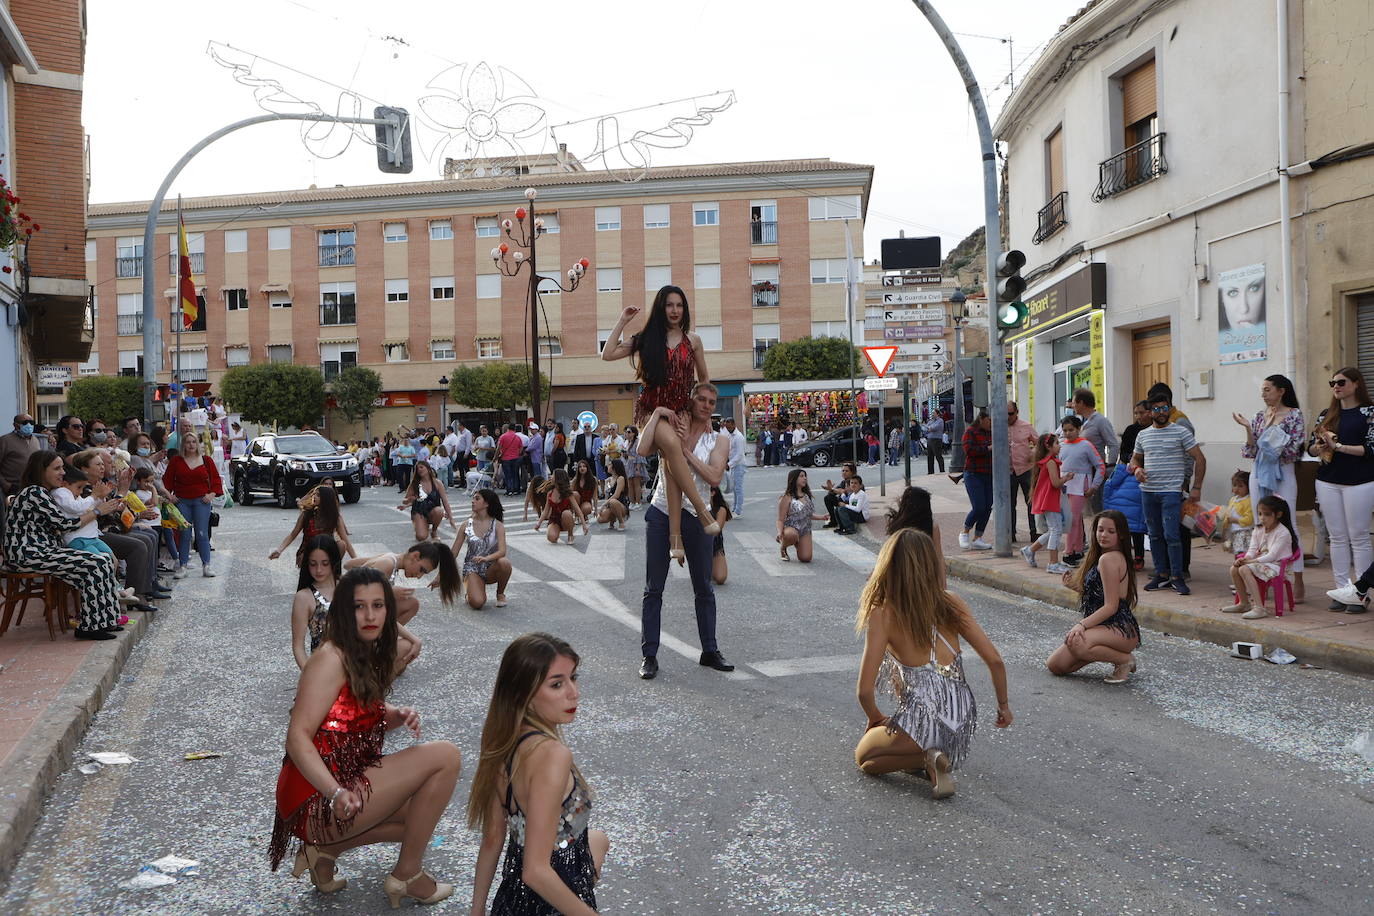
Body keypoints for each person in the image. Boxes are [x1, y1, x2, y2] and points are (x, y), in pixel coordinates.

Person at [269, 568, 460, 907]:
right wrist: (335, 792)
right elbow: (297, 737)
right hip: (316, 800)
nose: (370, 615)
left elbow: (352, 717)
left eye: (378, 605)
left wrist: (396, 715)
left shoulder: (361, 651)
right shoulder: (330, 658)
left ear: (389, 611)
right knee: (446, 756)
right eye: (359, 606)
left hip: (338, 787)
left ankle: (324, 851)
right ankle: (408, 875)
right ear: (344, 610)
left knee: (419, 817)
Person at [854, 528, 1012, 798]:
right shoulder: (952, 602)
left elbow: (864, 691)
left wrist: (876, 718)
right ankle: (930, 756)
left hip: (923, 718)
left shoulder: (883, 613)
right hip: (959, 718)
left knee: (864, 759)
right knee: (874, 763)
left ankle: (926, 758)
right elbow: (995, 660)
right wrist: (1003, 706)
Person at [467, 633, 609, 915]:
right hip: (547, 900)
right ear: (524, 695)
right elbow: (535, 871)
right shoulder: (553, 756)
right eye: (557, 684)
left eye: (573, 678)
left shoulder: (500, 744)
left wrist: (477, 909)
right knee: (593, 842)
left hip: (513, 899)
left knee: (599, 839)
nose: (574, 692)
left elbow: (493, 837)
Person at [602, 286, 721, 566]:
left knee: (670, 467)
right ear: (661, 307)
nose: (675, 310)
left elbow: (704, 380)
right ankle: (703, 511)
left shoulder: (694, 341)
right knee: (670, 446)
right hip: (652, 412)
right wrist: (622, 320)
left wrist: (701, 417)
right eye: (669, 305)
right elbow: (607, 354)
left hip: (680, 413)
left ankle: (675, 538)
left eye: (679, 305)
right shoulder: (646, 339)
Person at [638, 382, 733, 679]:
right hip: (662, 512)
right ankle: (649, 655)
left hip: (697, 515)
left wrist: (683, 453)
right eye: (701, 399)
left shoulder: (719, 439)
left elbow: (715, 476)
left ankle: (709, 649)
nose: (706, 405)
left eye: (711, 402)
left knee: (703, 587)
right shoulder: (672, 425)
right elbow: (642, 449)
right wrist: (656, 416)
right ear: (691, 400)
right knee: (654, 588)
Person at [3, 451, 126, 639]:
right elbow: (64, 524)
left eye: (62, 467)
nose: (63, 472)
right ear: (41, 470)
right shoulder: (34, 492)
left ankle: (107, 620)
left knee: (103, 560)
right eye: (57, 468)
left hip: (43, 552)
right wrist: (97, 512)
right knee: (96, 563)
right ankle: (89, 627)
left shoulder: (43, 492)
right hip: (27, 554)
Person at [1306, 366, 1374, 611]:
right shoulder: (1327, 414)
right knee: (1336, 537)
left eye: (1341, 382)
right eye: (1332, 383)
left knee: (1359, 536)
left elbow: (1370, 449)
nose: (1336, 386)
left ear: (1356, 384)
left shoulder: (1369, 412)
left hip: (1360, 481)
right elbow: (1311, 449)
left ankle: (1360, 591)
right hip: (1328, 479)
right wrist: (1320, 446)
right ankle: (1341, 590)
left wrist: (1339, 447)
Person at [1234, 373, 1307, 599]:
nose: (1263, 394)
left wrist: (1268, 439)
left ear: (1281, 390)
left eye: (1268, 389)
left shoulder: (1294, 415)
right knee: (1261, 523)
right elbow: (1250, 451)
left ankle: (1298, 578)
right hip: (1259, 471)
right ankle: (1258, 574)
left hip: (1282, 472)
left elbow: (1293, 450)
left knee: (1289, 523)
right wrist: (1249, 428)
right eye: (1262, 390)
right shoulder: (1258, 416)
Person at [1047, 510, 1142, 684]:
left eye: (1110, 531)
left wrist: (1081, 625)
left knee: (1078, 643)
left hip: (1119, 628)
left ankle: (1124, 660)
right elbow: (1103, 593)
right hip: (1105, 628)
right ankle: (1099, 650)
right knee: (1056, 665)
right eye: (1100, 530)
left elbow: (1111, 606)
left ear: (1121, 535)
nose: (1103, 535)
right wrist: (1076, 587)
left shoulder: (1109, 559)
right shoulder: (1102, 556)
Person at [1131, 391, 1207, 596]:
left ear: (1170, 408)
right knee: (1154, 535)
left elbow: (1200, 459)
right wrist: (1137, 469)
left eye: (1164, 408)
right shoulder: (1143, 434)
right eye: (1156, 409)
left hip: (1172, 492)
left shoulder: (1180, 431)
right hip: (1148, 492)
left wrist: (1197, 487)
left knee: (1172, 535)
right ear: (1150, 412)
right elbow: (1135, 459)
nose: (1161, 412)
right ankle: (1161, 574)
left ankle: (1177, 577)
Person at [345, 543, 461, 664]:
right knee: (407, 648)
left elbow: (348, 565)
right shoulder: (387, 563)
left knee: (411, 603)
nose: (419, 576)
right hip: (350, 622)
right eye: (421, 570)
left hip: (356, 617)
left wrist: (374, 575)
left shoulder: (389, 558)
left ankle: (375, 644)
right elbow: (379, 614)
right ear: (415, 556)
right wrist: (415, 639)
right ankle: (367, 649)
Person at [1225, 495, 1297, 620]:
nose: (1262, 518)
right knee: (1234, 568)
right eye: (1260, 514)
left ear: (1278, 514)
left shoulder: (1283, 532)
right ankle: (1244, 603)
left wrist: (1250, 561)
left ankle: (1259, 608)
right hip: (1261, 562)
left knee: (1244, 569)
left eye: (1267, 514)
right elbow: (1252, 549)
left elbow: (1272, 556)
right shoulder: (1258, 529)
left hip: (1277, 566)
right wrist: (1245, 558)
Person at [163, 433, 223, 578]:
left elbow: (216, 481)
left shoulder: (206, 460)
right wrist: (170, 496)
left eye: (193, 442)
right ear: (183, 444)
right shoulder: (177, 461)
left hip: (201, 501)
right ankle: (182, 565)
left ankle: (206, 565)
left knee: (202, 534)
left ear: (197, 444)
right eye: (188, 442)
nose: (191, 445)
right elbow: (167, 481)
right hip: (182, 501)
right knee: (185, 533)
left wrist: (211, 494)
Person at [446, 488, 512, 611]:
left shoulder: (498, 525)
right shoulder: (466, 524)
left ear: (486, 504)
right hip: (472, 568)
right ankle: (471, 589)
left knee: (505, 563)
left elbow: (502, 551)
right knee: (478, 603)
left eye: (477, 499)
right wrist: (441, 574)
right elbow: (453, 552)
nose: (472, 501)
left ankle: (500, 593)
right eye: (473, 498)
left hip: (490, 567)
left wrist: (487, 558)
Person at [1023, 433, 1074, 575]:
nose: (1060, 446)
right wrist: (1067, 478)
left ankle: (1030, 550)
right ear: (1048, 446)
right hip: (1050, 499)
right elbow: (1056, 483)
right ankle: (1053, 563)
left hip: (1048, 499)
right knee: (1056, 530)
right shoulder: (1051, 462)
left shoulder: (1048, 461)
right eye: (1057, 443)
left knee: (1053, 530)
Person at [1058, 414, 1106, 562]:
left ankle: (1069, 551)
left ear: (1079, 429)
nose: (1067, 433)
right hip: (1063, 485)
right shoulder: (1061, 445)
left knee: (1073, 518)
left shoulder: (1086, 445)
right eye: (1065, 430)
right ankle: (1077, 550)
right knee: (1073, 519)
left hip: (1080, 485)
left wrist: (1093, 486)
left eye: (1071, 430)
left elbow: (1100, 466)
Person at [290, 534, 341, 671]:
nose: (319, 570)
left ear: (334, 561)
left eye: (325, 563)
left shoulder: (347, 586)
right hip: (324, 667)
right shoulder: (304, 597)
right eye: (313, 564)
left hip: (354, 664)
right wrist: (310, 675)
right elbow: (298, 645)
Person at [271, 484, 357, 561]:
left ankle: (332, 573)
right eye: (314, 494)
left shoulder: (335, 517)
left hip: (326, 551)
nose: (314, 497)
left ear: (326, 498)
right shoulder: (306, 514)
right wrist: (279, 550)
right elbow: (293, 535)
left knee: (341, 545)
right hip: (308, 551)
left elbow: (345, 540)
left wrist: (356, 561)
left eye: (318, 495)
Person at [885, 485, 947, 589]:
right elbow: (939, 557)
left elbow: (938, 556)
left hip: (909, 575)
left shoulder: (900, 525)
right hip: (916, 574)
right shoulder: (931, 526)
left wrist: (942, 583)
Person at [1071, 388, 1117, 514]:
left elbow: (1113, 444)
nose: (1072, 405)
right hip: (1083, 471)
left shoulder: (1100, 421)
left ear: (1081, 403)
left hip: (1097, 471)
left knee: (1098, 507)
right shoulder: (1082, 421)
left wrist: (1109, 468)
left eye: (1074, 402)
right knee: (1084, 509)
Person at [958, 409, 994, 550]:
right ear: (982, 419)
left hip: (989, 473)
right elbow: (969, 451)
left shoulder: (992, 432)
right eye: (989, 420)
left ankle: (978, 537)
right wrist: (988, 448)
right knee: (978, 506)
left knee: (987, 507)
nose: (991, 423)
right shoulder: (970, 432)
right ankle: (965, 532)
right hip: (973, 474)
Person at [1102, 459, 1147, 570]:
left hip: (1121, 513)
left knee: (1124, 537)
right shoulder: (1143, 473)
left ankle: (1124, 558)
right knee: (1138, 536)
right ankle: (1138, 558)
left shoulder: (1121, 472)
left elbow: (1109, 485)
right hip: (1137, 514)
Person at [776, 468, 829, 561]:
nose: (804, 478)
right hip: (791, 528)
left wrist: (822, 517)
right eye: (801, 476)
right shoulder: (786, 497)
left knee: (806, 558)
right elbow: (780, 519)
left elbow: (808, 515)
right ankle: (783, 547)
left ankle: (798, 542)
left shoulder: (806, 496)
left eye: (805, 476)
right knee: (791, 535)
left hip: (805, 529)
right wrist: (780, 532)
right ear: (794, 479)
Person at [399, 461, 456, 542]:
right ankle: (423, 525)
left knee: (439, 511)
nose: (419, 470)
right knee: (421, 537)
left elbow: (445, 501)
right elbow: (404, 500)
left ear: (428, 469)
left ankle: (434, 531)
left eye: (421, 467)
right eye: (417, 468)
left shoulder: (437, 483)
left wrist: (451, 518)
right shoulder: (414, 483)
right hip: (419, 512)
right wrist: (409, 500)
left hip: (432, 511)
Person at [1007, 401, 1039, 542]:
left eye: (1011, 414)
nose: (1008, 417)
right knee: (1009, 504)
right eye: (1005, 414)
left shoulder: (1026, 426)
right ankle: (1011, 533)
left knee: (1030, 502)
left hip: (1026, 470)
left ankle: (1033, 531)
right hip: (1008, 471)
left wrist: (1033, 454)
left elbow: (1039, 443)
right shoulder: (998, 427)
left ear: (1017, 412)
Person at [536, 469, 589, 545]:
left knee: (566, 513)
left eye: (553, 475)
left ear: (558, 478)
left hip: (566, 518)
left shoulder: (568, 493)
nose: (551, 477)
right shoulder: (550, 493)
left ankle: (570, 534)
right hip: (554, 520)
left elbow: (577, 509)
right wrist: (539, 523)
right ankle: (556, 531)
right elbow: (545, 511)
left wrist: (584, 524)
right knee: (552, 538)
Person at [1222, 470, 1256, 555]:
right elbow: (1228, 515)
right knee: (1236, 552)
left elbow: (1249, 519)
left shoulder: (1249, 501)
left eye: (1240, 486)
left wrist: (1236, 520)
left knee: (1242, 553)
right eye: (1234, 485)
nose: (1236, 488)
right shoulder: (1233, 500)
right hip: (1234, 532)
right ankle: (1237, 567)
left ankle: (1240, 567)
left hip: (1244, 532)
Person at [722, 417, 746, 517]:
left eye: (728, 426)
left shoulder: (739, 437)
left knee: (738, 488)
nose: (727, 428)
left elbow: (739, 454)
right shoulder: (730, 435)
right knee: (735, 488)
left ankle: (738, 510)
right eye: (726, 427)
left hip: (739, 464)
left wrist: (729, 464)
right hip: (733, 464)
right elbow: (730, 451)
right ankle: (735, 507)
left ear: (733, 424)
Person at [821, 462, 858, 529]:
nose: (844, 473)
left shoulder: (855, 481)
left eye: (847, 471)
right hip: (845, 502)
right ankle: (833, 521)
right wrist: (831, 490)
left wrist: (832, 489)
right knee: (828, 497)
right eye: (843, 471)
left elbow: (843, 491)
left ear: (852, 472)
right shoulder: (844, 482)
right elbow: (834, 492)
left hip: (854, 505)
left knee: (835, 498)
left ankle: (848, 527)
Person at [597, 459, 630, 530]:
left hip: (621, 505)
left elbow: (616, 495)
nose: (607, 466)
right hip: (611, 505)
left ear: (614, 467)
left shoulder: (620, 478)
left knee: (613, 501)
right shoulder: (609, 479)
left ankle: (621, 522)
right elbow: (607, 495)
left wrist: (603, 505)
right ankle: (612, 520)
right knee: (600, 519)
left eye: (609, 464)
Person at [708, 486, 731, 586]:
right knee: (701, 577)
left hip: (715, 544)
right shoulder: (692, 506)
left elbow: (716, 530)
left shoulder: (720, 509)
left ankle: (710, 564)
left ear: (713, 493)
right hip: (698, 545)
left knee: (720, 578)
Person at [497, 424, 525, 496]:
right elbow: (521, 447)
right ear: (514, 429)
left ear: (508, 429)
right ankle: (516, 490)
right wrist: (518, 453)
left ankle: (509, 490)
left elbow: (499, 447)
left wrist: (496, 456)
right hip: (515, 458)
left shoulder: (503, 436)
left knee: (508, 475)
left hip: (505, 458)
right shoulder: (517, 437)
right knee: (515, 474)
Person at [571, 459, 599, 525]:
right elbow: (570, 496)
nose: (582, 468)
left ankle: (584, 515)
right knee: (574, 494)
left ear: (587, 468)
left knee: (587, 508)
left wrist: (596, 510)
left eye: (584, 466)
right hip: (577, 501)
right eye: (580, 467)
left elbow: (595, 496)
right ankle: (577, 516)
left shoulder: (593, 480)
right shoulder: (575, 480)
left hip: (586, 501)